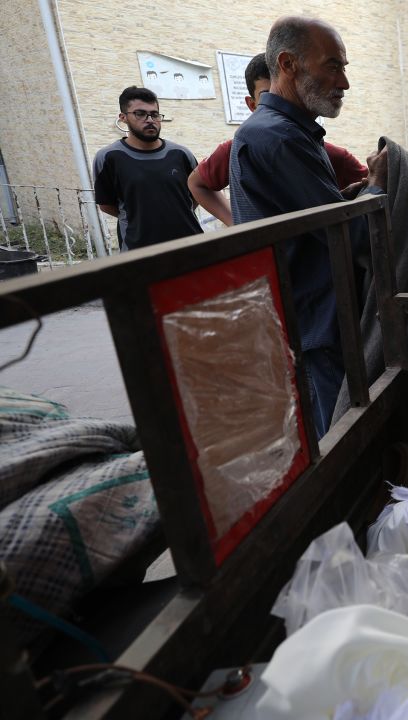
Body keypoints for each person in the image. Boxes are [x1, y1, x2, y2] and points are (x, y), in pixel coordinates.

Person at [231, 16, 374, 436]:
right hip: (314, 325)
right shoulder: (276, 138)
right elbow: (348, 234)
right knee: (338, 439)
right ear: (289, 64)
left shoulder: (287, 133)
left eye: (344, 67)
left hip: (315, 321)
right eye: (333, 66)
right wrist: (379, 187)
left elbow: (319, 216)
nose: (344, 82)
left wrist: (352, 196)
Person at [188, 53, 367, 225]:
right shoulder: (240, 148)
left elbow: (368, 183)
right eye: (268, 95)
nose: (280, 100)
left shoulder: (329, 154)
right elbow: (197, 183)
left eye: (284, 93)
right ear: (252, 104)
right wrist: (237, 225)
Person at [93, 86, 203, 250]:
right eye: (140, 114)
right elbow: (106, 205)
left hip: (191, 246)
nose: (150, 119)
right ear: (123, 117)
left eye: (154, 114)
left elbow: (197, 193)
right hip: (139, 251)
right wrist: (140, 218)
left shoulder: (180, 154)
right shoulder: (109, 158)